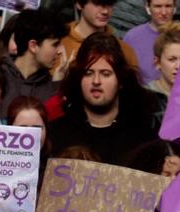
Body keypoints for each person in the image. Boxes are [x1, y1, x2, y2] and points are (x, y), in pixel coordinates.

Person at [47, 33, 158, 167]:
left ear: (121, 80)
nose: (96, 81)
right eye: (88, 73)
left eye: (105, 74)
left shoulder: (144, 140)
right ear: (79, 78)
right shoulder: (55, 134)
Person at [4, 9, 68, 105]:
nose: (60, 51)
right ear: (33, 46)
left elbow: (53, 118)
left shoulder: (51, 85)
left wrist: (57, 85)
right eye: (55, 45)